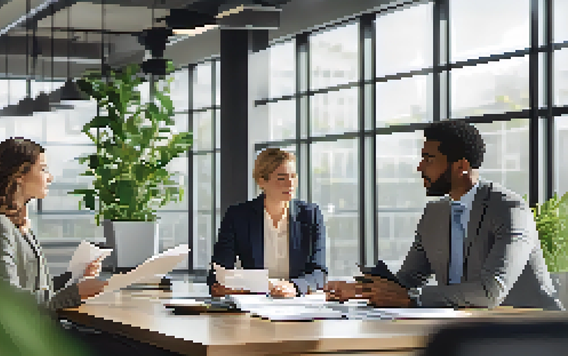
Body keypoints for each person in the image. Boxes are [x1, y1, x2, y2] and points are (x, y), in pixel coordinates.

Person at [326, 120, 563, 310]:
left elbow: (489, 292)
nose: (420, 167)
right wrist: (361, 289)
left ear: (461, 166)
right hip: (462, 329)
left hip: (529, 332)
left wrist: (411, 297)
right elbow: (409, 280)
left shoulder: (510, 210)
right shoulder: (434, 213)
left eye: (429, 159)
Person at [0, 137, 107, 313]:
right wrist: (74, 293)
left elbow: (37, 287)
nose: (50, 177)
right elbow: (4, 295)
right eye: (43, 169)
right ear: (19, 175)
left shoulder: (19, 224)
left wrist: (77, 278)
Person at [208, 148, 327, 298]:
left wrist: (295, 286)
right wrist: (226, 287)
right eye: (281, 178)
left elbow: (319, 273)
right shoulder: (238, 216)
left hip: (296, 303)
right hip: (253, 302)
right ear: (262, 181)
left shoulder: (311, 215)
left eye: (293, 176)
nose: (290, 183)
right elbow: (218, 270)